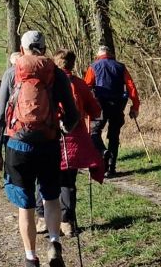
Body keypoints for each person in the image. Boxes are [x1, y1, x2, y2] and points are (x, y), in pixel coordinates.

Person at [0, 31, 81, 267]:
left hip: (18, 145)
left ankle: (31, 258)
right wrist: (62, 128)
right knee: (51, 197)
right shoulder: (56, 73)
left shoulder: (12, 73)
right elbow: (73, 114)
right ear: (43, 48)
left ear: (22, 49)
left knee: (26, 205)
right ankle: (54, 242)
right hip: (48, 143)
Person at [53, 50, 105, 236]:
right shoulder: (80, 84)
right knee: (68, 181)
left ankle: (46, 218)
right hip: (75, 140)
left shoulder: (48, 83)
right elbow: (96, 111)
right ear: (72, 64)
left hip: (52, 138)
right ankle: (67, 221)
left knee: (48, 180)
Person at [85, 46, 141, 176]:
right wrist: (135, 106)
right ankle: (111, 168)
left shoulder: (93, 66)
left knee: (94, 132)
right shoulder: (121, 67)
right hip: (117, 105)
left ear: (98, 55)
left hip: (100, 106)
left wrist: (85, 105)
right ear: (110, 54)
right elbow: (131, 86)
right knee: (114, 135)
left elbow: (86, 86)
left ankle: (103, 152)